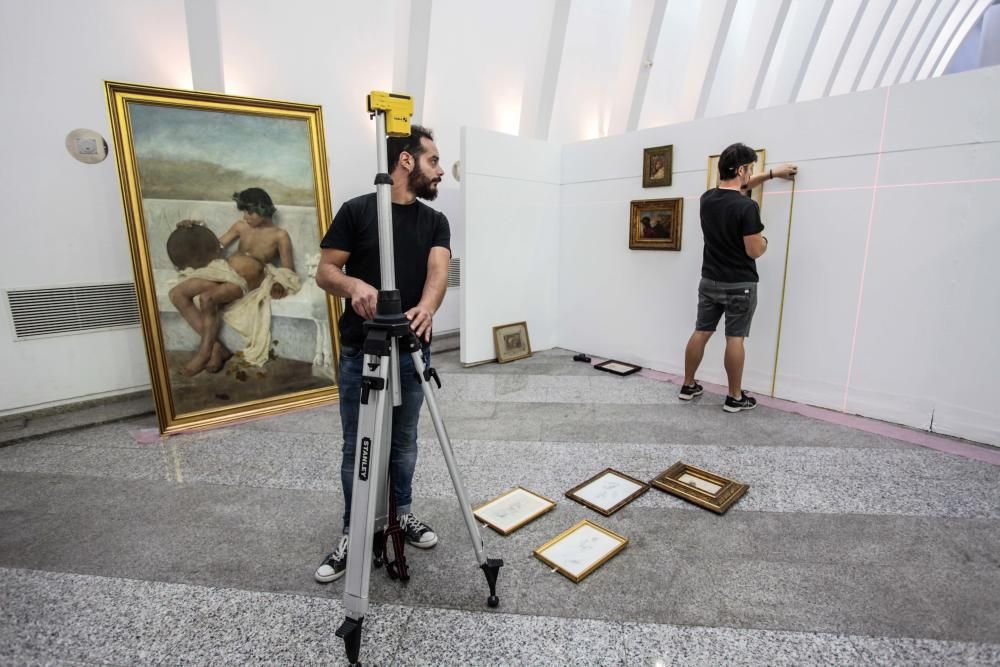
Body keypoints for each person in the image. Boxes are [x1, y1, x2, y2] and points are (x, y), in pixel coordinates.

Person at [313, 125, 449, 583]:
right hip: (361, 349)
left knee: (404, 441)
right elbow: (326, 271)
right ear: (406, 161)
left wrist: (427, 308)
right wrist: (354, 285)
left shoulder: (435, 221)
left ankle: (402, 514)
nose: (440, 169)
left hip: (412, 351)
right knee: (359, 445)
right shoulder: (356, 211)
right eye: (433, 160)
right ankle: (355, 530)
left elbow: (438, 272)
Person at [678, 143, 797, 412]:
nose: (750, 173)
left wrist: (771, 174)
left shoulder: (707, 198)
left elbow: (736, 187)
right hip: (739, 285)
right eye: (750, 169)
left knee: (701, 332)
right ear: (742, 170)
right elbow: (754, 250)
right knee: (735, 339)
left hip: (709, 280)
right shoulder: (747, 207)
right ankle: (734, 397)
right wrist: (765, 241)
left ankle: (688, 385)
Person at [168, 188, 297, 376]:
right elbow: (214, 247)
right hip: (223, 271)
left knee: (207, 299)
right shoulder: (240, 226)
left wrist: (280, 283)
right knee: (177, 294)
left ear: (263, 210)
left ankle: (204, 353)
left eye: (249, 212)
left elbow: (288, 269)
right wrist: (193, 229)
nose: (246, 216)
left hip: (248, 279)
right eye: (243, 211)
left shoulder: (280, 235)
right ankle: (217, 349)